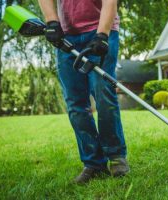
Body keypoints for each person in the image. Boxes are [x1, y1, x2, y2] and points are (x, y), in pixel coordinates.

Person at [37, 0, 129, 184]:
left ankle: (117, 157)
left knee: (103, 95)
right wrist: (52, 21)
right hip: (66, 36)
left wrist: (102, 35)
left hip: (100, 29)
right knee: (75, 103)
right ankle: (93, 163)